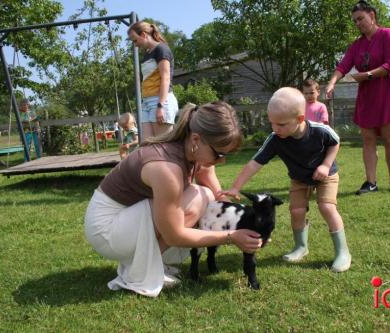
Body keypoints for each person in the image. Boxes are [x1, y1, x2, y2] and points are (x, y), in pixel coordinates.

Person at [84, 101, 262, 297]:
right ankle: (139, 271)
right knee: (197, 199)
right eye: (219, 154)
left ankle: (149, 263)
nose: (222, 161)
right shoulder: (167, 168)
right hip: (106, 229)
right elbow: (174, 235)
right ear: (196, 139)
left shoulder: (190, 148)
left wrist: (236, 213)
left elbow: (211, 186)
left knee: (206, 196)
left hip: (124, 217)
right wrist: (231, 237)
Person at [220, 87, 351, 272]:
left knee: (327, 207)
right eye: (272, 123)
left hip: (326, 175)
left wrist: (325, 165)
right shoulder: (275, 139)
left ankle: (342, 252)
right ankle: (300, 246)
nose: (275, 128)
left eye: (280, 124)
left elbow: (335, 142)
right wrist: (235, 187)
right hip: (299, 178)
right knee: (296, 211)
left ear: (299, 119)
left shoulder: (319, 131)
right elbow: (255, 163)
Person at [325, 0, 390, 195]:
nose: (358, 23)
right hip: (367, 94)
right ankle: (371, 182)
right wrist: (332, 82)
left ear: (372, 16)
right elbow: (343, 65)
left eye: (360, 18)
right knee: (368, 138)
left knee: (389, 137)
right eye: (355, 21)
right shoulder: (356, 45)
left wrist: (367, 75)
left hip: (388, 90)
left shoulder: (388, 35)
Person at [128, 21, 179, 139]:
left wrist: (160, 106)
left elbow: (165, 78)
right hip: (146, 102)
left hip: (160, 101)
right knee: (147, 145)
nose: (135, 45)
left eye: (135, 40)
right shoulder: (147, 54)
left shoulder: (161, 49)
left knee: (163, 147)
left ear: (144, 35)